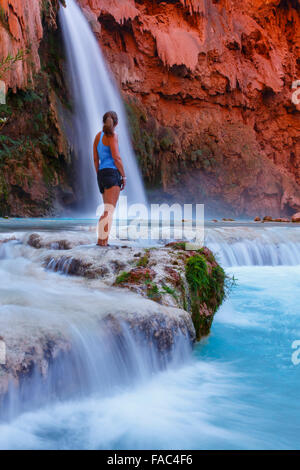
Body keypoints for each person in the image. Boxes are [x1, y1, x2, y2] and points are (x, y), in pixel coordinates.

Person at [93, 111, 126, 246]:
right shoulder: (113, 136)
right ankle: (103, 243)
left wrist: (99, 174)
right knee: (109, 211)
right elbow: (116, 157)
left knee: (106, 209)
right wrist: (124, 176)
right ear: (116, 123)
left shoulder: (97, 137)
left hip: (101, 173)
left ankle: (101, 241)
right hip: (112, 173)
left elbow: (96, 159)